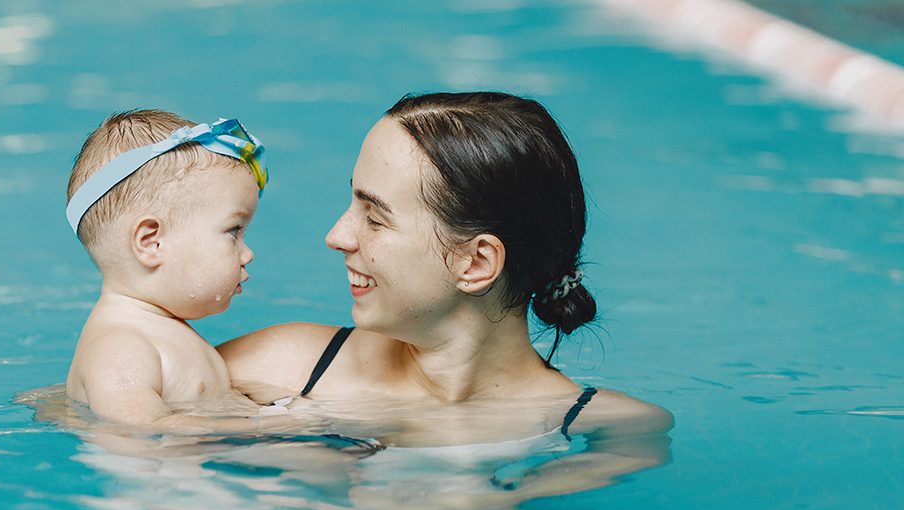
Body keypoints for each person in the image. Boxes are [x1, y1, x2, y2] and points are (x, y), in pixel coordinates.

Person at [218, 92, 672, 443]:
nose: (337, 236)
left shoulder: (612, 431)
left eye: (374, 218)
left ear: (475, 263)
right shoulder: (278, 367)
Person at [63, 109, 269, 424]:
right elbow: (140, 432)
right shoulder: (120, 345)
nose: (248, 253)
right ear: (151, 242)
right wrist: (269, 430)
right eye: (234, 232)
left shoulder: (159, 330)